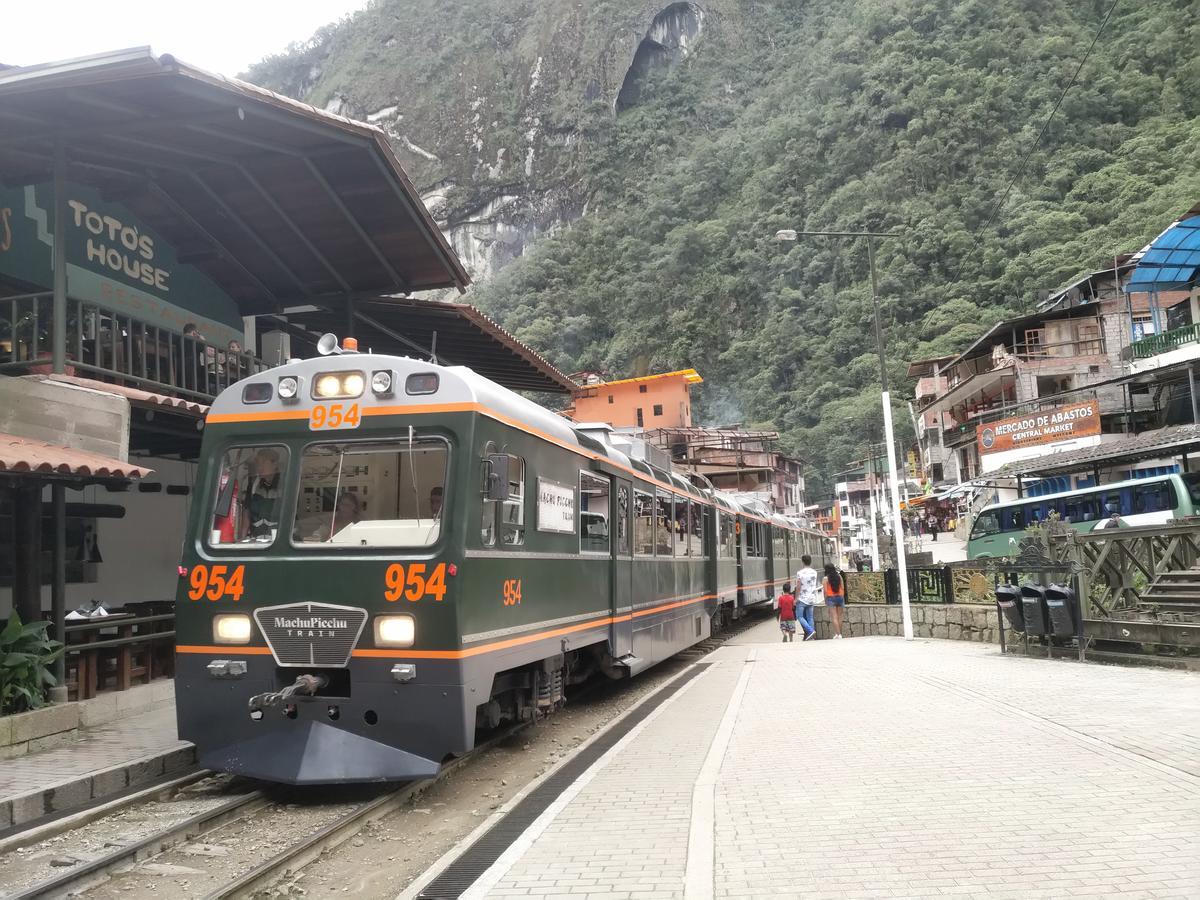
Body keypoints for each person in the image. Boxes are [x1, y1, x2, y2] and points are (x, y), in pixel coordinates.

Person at [245, 448, 283, 540]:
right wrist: (242, 537)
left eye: (264, 462)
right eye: (258, 463)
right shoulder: (253, 485)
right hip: (257, 541)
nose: (259, 467)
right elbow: (246, 514)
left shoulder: (286, 483)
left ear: (275, 464)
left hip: (281, 539)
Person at [795, 554, 819, 641]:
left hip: (802, 598)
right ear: (810, 561)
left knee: (799, 616)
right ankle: (811, 637)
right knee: (810, 618)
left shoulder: (800, 573)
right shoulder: (814, 572)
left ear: (802, 562)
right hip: (812, 598)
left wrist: (796, 598)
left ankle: (810, 631)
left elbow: (798, 587)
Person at [823, 563, 846, 638]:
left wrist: (825, 600)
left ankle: (838, 634)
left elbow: (825, 591)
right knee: (840, 616)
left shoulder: (825, 578)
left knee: (834, 617)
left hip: (831, 598)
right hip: (840, 596)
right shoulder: (839, 576)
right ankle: (839, 634)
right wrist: (842, 596)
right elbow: (842, 587)